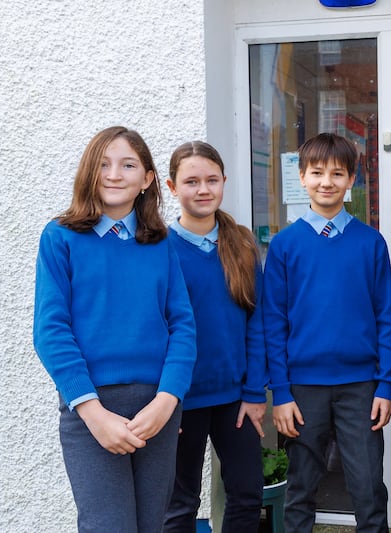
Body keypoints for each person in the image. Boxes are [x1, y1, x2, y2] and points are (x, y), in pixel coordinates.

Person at [33, 126, 197, 533]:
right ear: (89, 172)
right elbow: (51, 330)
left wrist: (167, 401)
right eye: (104, 164)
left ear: (147, 180)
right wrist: (92, 412)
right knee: (110, 526)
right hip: (92, 407)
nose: (114, 174)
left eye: (128, 165)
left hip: (156, 408)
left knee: (152, 526)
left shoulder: (161, 245)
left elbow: (183, 326)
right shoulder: (61, 238)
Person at [263, 132, 391, 533]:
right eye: (317, 172)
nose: (327, 181)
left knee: (369, 487)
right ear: (302, 177)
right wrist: (281, 392)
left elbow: (385, 319)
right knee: (300, 487)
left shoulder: (371, 243)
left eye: (337, 173)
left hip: (361, 387)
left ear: (351, 179)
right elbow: (274, 323)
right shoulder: (285, 245)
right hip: (303, 389)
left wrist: (385, 385)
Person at [162, 141, 267, 532]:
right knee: (180, 502)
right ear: (173, 188)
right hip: (180, 400)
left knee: (246, 494)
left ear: (224, 182)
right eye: (191, 182)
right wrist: (166, 401)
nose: (203, 189)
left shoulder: (241, 244)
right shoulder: (159, 248)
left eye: (211, 180)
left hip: (235, 400)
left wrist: (256, 393)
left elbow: (257, 324)